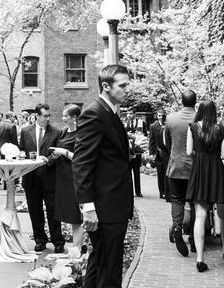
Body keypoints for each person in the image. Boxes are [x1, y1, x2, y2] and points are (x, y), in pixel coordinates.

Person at [73, 64, 134, 288]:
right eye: (123, 85)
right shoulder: (94, 113)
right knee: (109, 270)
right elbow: (81, 162)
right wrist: (87, 207)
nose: (127, 90)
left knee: (100, 263)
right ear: (106, 86)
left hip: (112, 205)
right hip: (105, 207)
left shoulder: (110, 112)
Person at [185, 100, 224, 272]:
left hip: (199, 171)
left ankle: (199, 259)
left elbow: (189, 152)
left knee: (200, 215)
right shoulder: (221, 129)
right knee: (222, 214)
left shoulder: (192, 127)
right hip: (216, 171)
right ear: (213, 112)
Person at [19, 103, 64, 252]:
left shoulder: (56, 132)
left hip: (50, 177)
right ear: (37, 116)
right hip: (31, 178)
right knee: (35, 210)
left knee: (53, 210)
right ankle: (40, 240)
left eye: (49, 115)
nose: (47, 118)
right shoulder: (25, 131)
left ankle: (58, 241)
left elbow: (58, 154)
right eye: (45, 116)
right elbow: (21, 152)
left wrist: (48, 160)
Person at [164, 90, 197, 256]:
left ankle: (177, 227)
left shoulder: (171, 118)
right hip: (195, 169)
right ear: (195, 101)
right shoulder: (200, 118)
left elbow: (166, 142)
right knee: (195, 203)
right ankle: (194, 236)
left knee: (177, 200)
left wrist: (175, 153)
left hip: (176, 166)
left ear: (181, 101)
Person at [49, 104, 84, 256]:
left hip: (74, 178)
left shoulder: (82, 134)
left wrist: (65, 152)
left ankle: (77, 250)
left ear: (74, 118)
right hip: (62, 178)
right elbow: (59, 150)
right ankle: (76, 248)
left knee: (76, 216)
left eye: (65, 116)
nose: (63, 118)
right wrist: (53, 155)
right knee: (69, 215)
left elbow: (82, 158)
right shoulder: (63, 132)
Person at [148, 110, 169, 198]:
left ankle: (167, 191)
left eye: (162, 115)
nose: (161, 117)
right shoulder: (153, 126)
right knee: (160, 173)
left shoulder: (167, 124)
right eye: (159, 115)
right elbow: (151, 140)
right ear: (157, 116)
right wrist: (151, 153)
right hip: (158, 152)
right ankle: (161, 192)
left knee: (166, 173)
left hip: (166, 152)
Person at [129, 127, 145, 198]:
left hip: (137, 155)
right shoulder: (126, 124)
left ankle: (138, 192)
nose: (130, 115)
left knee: (137, 174)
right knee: (128, 176)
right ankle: (129, 192)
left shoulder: (139, 123)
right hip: (129, 156)